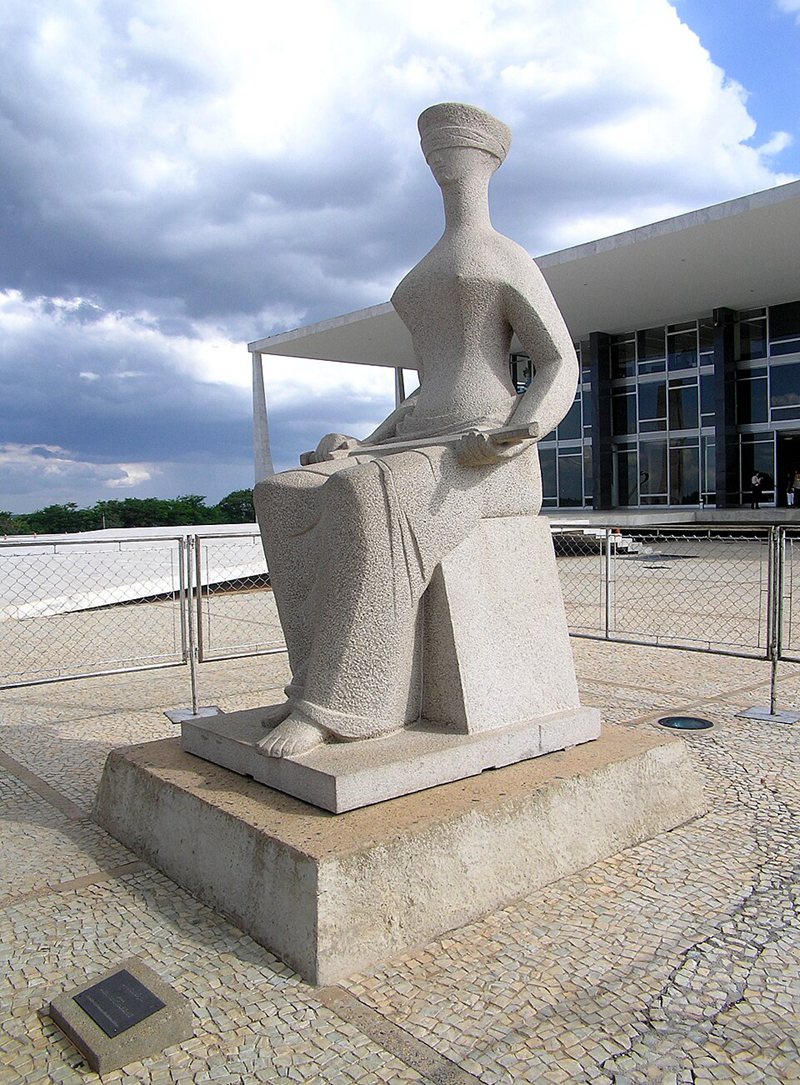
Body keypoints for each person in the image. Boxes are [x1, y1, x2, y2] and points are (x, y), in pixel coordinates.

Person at [253, 103, 577, 757]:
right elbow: (430, 387)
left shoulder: (507, 256)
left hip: (485, 453)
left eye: (451, 146)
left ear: (486, 160)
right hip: (416, 435)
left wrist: (518, 431)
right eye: (431, 147)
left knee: (365, 494)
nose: (439, 157)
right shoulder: (431, 262)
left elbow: (558, 362)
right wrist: (364, 442)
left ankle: (342, 704)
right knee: (282, 493)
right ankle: (311, 680)